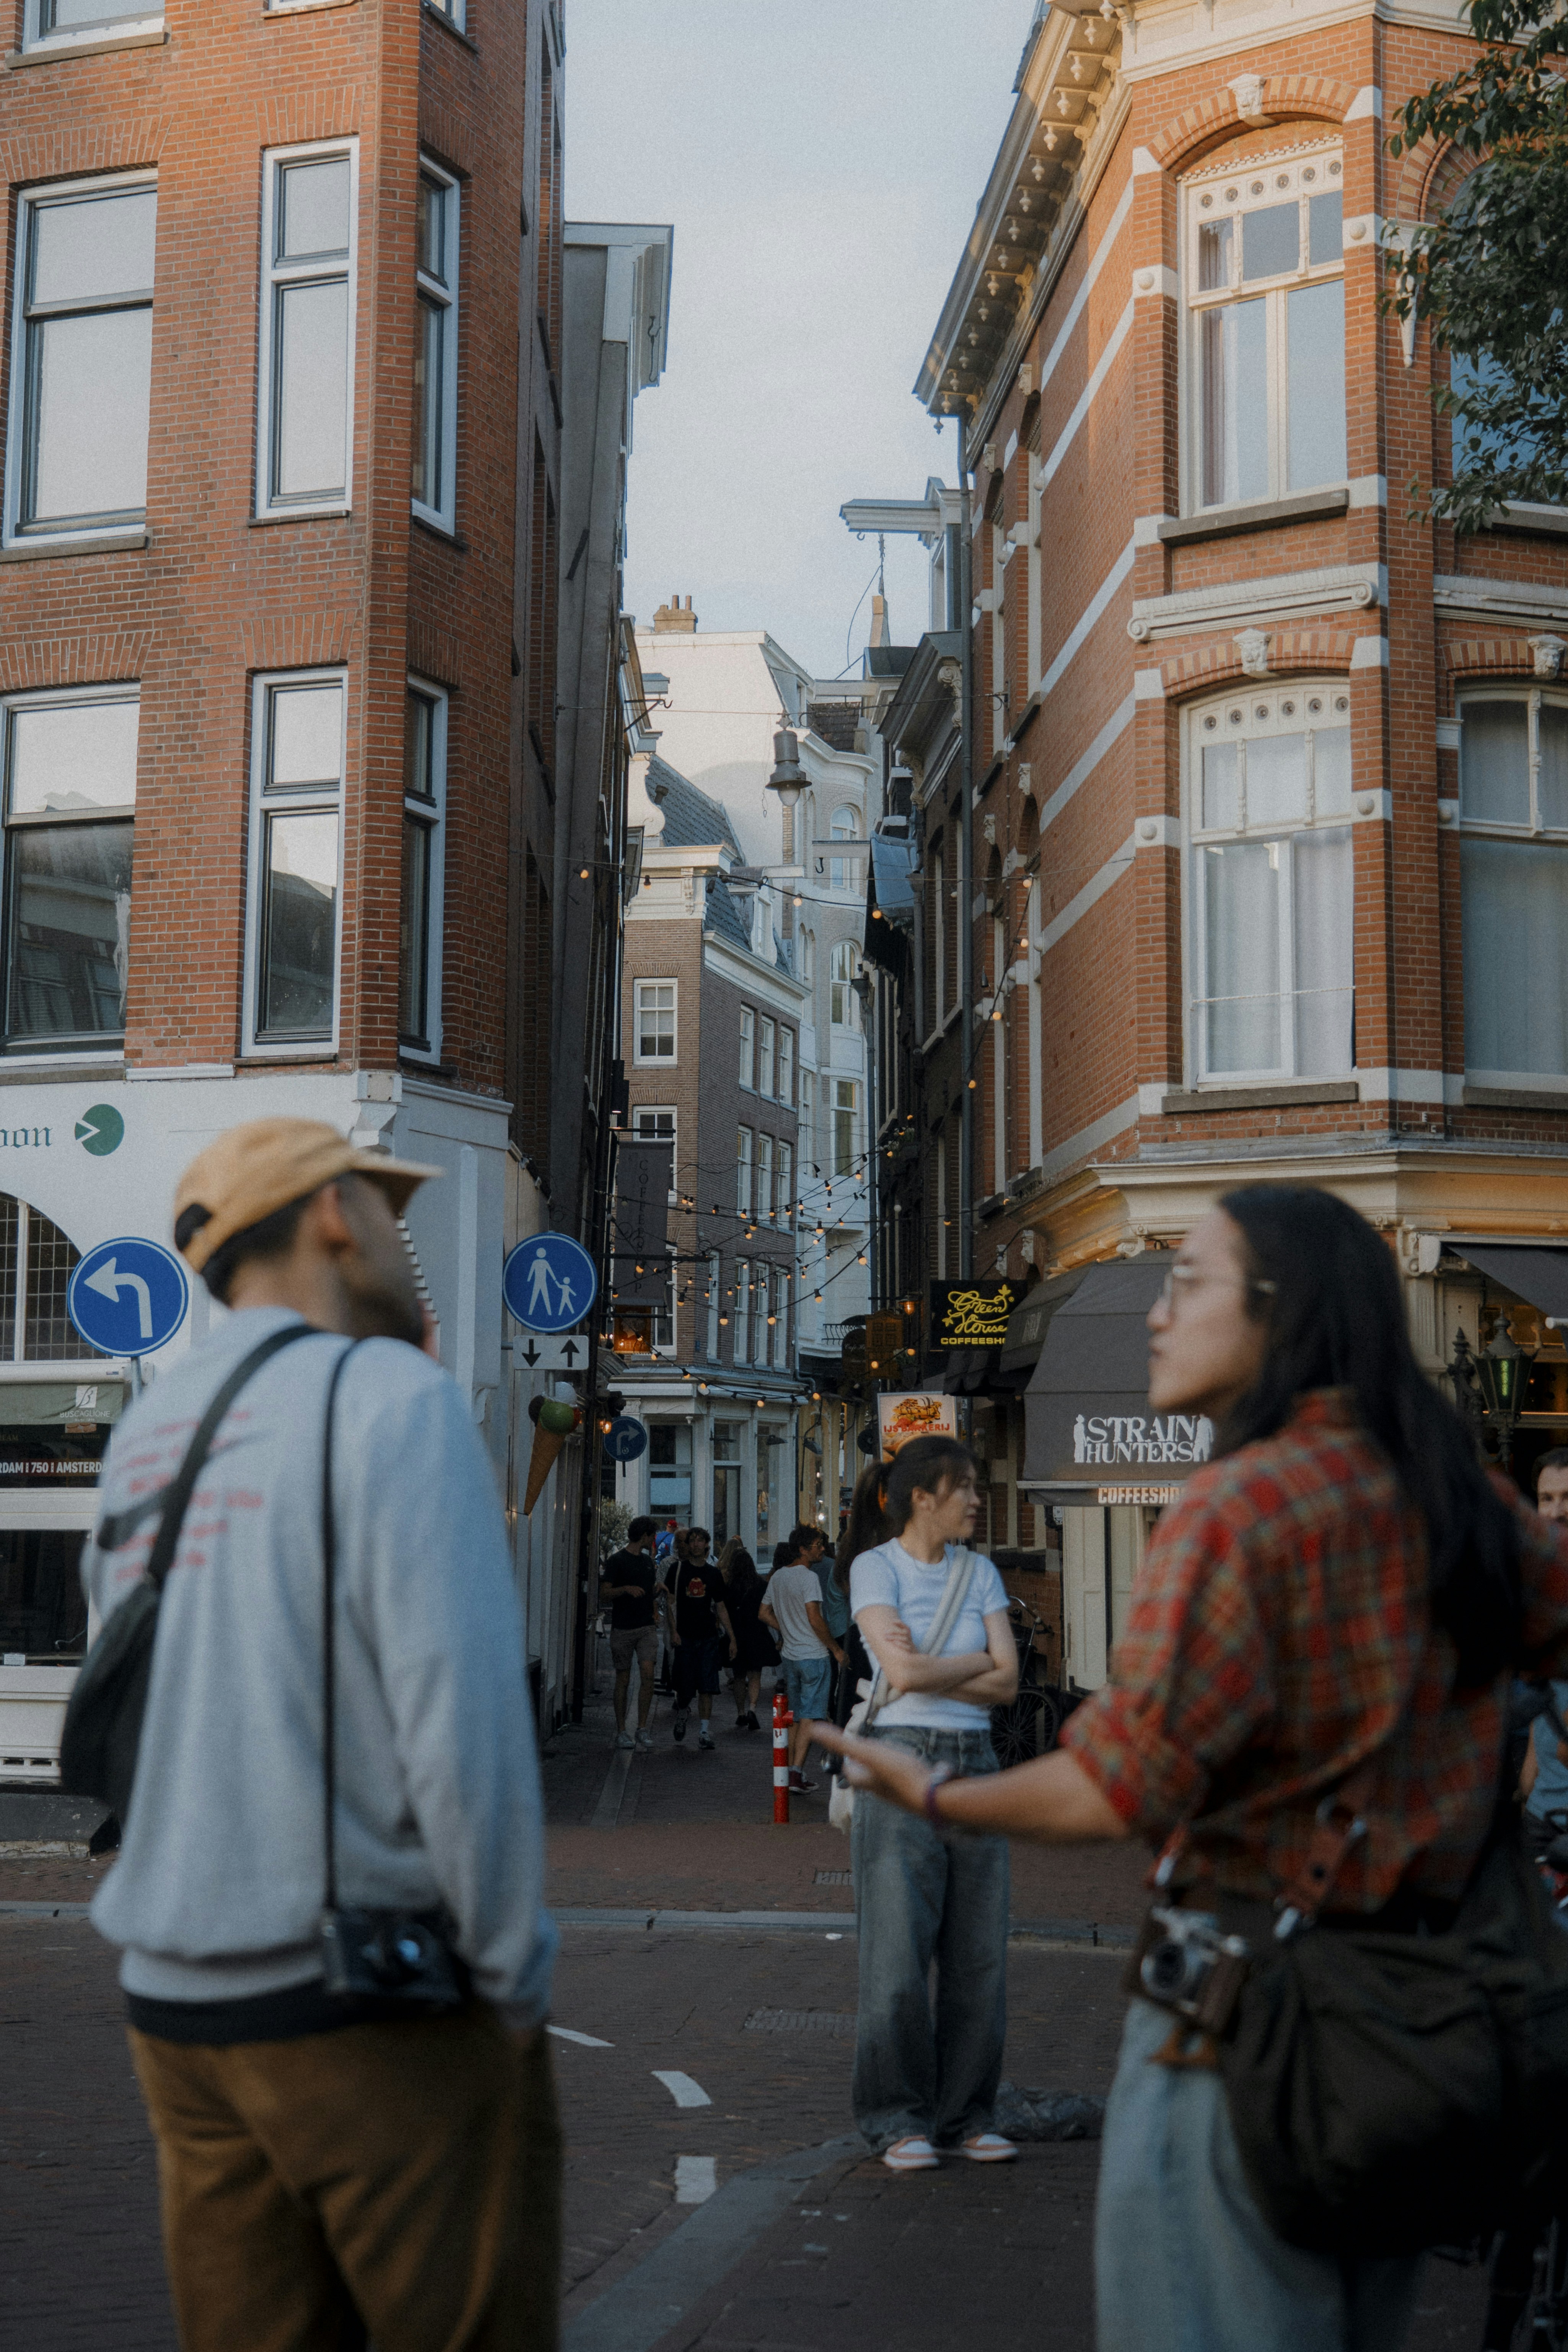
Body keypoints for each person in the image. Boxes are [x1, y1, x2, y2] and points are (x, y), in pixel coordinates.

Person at [820, 1186, 1568, 2352]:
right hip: (1423, 2036)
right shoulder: (1465, 1501)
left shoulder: (1238, 1506)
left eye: (1187, 1283)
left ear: (1279, 1309)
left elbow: (1120, 1782)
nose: (1155, 1315)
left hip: (1247, 2025)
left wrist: (931, 1789)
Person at [83, 1118, 559, 2352]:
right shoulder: (393, 1398)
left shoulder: (148, 1435)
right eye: (387, 1207)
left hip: (176, 2014)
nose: (404, 1239)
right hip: (360, 2001)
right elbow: (464, 1733)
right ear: (335, 1214)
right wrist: (511, 1978)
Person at [826, 1440, 1019, 2169]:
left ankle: (967, 2114)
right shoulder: (874, 1567)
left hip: (976, 1762)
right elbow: (901, 1673)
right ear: (921, 1498)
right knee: (896, 1952)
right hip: (899, 1756)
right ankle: (895, 2115)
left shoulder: (981, 1571)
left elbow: (1008, 1683)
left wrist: (935, 1669)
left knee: (979, 1955)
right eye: (962, 1487)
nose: (975, 1499)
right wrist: (976, 1661)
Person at [760, 1525, 846, 1796]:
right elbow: (814, 1617)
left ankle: (789, 1772)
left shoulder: (778, 1577)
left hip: (791, 1657)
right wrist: (835, 1649)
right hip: (814, 1655)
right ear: (803, 1550)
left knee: (796, 1715)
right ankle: (796, 1773)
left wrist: (786, 1630)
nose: (822, 1549)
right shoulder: (809, 1578)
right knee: (810, 1716)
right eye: (817, 1545)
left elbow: (763, 1613)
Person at [663, 1527, 735, 1751]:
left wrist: (732, 1637)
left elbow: (721, 1607)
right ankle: (683, 1711)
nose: (696, 1544)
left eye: (700, 1540)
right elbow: (670, 1604)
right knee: (685, 1688)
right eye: (692, 1540)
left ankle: (704, 1732)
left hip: (708, 1637)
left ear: (706, 1545)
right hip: (684, 1636)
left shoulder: (713, 1574)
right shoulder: (677, 1570)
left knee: (707, 1686)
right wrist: (674, 1631)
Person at [601, 1516, 658, 1752]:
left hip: (646, 1626)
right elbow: (605, 1593)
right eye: (652, 1536)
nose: (654, 1540)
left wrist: (658, 1594)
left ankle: (642, 1727)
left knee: (648, 1674)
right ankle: (621, 1730)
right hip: (623, 1627)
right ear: (644, 1536)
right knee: (623, 1679)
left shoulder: (648, 1562)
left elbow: (649, 1592)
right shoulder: (617, 1561)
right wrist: (625, 1589)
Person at [717, 1541, 773, 1731]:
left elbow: (722, 1610)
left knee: (739, 1676)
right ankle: (753, 1709)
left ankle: (740, 1713)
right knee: (755, 1675)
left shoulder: (728, 1587)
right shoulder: (761, 1585)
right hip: (757, 1634)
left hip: (736, 1634)